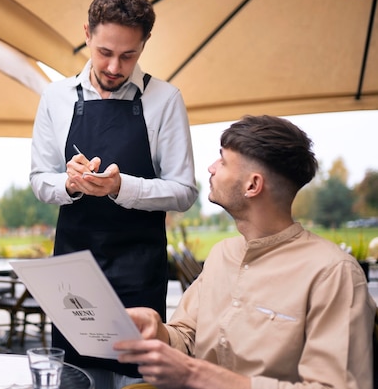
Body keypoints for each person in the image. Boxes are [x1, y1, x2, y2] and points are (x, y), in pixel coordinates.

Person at [114, 115, 376, 389]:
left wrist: (195, 375)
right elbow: (187, 336)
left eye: (223, 161)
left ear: (252, 185)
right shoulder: (221, 255)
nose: (211, 168)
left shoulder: (333, 274)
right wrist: (159, 330)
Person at [29, 0, 198, 387]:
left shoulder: (166, 99)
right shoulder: (55, 98)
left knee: (135, 379)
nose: (114, 66)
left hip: (138, 269)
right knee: (76, 378)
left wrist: (122, 187)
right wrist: (69, 183)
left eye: (128, 55)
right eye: (104, 51)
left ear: (144, 44)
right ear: (86, 33)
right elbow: (40, 180)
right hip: (73, 266)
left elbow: (184, 191)